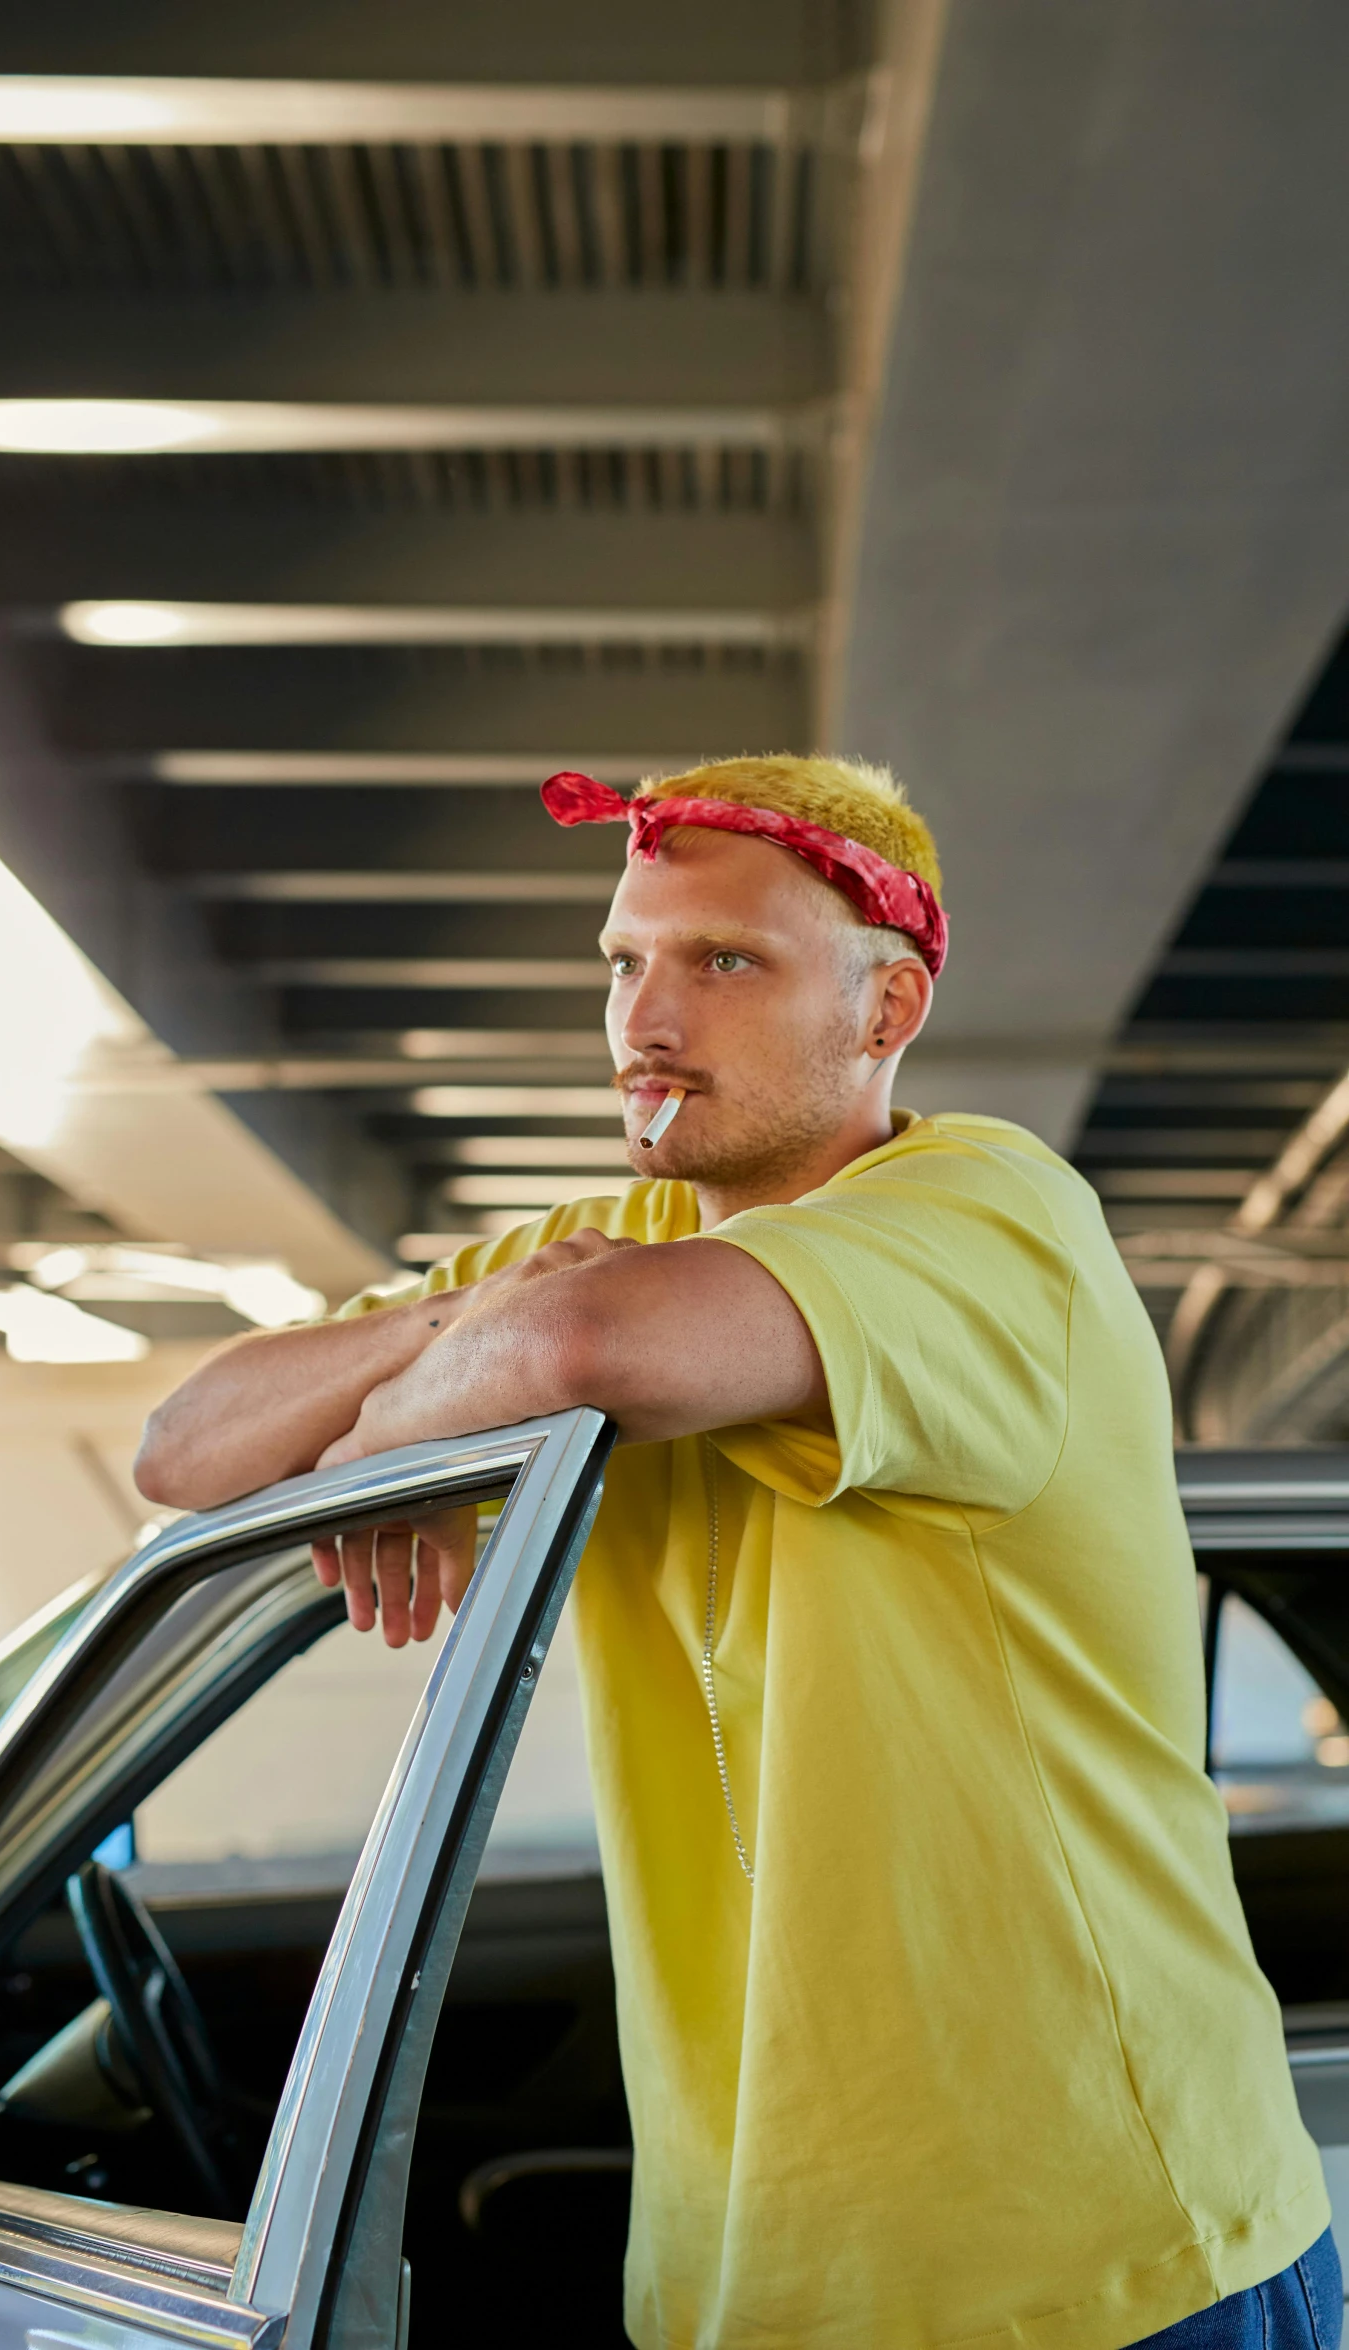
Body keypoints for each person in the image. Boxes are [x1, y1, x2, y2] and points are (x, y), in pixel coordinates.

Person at [137, 755, 1336, 2350]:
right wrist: (444, 1338)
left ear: (886, 1008)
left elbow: (576, 1337)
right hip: (745, 2282)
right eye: (625, 961)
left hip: (1090, 2260)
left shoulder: (990, 1213)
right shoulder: (593, 1256)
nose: (646, 1018)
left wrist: (375, 1440)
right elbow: (188, 1447)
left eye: (723, 962)